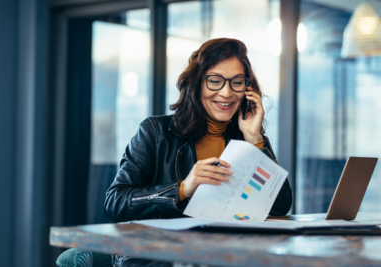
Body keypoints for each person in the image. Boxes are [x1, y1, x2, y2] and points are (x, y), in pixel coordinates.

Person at [105, 38, 292, 225]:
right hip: (166, 250)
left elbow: (279, 206)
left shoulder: (246, 138)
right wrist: (181, 189)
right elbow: (115, 202)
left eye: (237, 82)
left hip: (226, 249)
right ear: (196, 84)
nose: (227, 93)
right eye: (215, 81)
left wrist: (254, 139)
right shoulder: (156, 132)